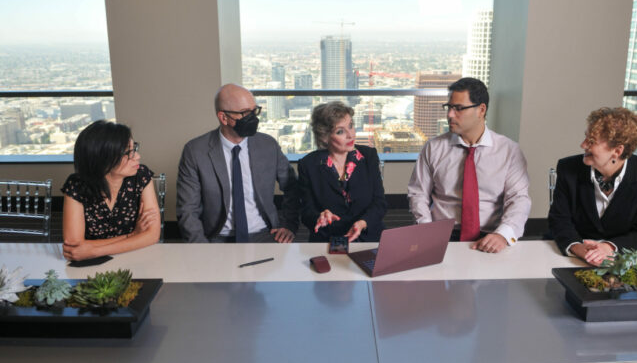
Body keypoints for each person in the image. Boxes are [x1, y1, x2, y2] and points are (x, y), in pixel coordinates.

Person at [407, 77, 531, 253]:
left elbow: (519, 199)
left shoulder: (509, 151)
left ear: (481, 110)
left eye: (458, 108)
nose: (450, 114)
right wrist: (427, 232)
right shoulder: (433, 148)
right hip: (442, 234)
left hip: (491, 235)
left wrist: (503, 235)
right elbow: (418, 194)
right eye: (449, 107)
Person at [176, 83, 299, 243]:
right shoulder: (195, 151)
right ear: (224, 117)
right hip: (216, 238)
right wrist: (202, 249)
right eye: (244, 113)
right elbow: (187, 210)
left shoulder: (268, 145)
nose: (253, 118)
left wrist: (289, 225)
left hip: (267, 234)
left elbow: (293, 188)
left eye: (254, 111)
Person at [548, 107, 637, 266]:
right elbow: (559, 220)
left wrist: (608, 247)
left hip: (623, 260)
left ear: (617, 151)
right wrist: (578, 248)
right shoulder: (567, 167)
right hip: (572, 257)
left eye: (591, 141)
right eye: (586, 137)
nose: (583, 145)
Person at [61, 121, 161, 261]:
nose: (137, 156)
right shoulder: (77, 186)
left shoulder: (141, 176)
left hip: (136, 257)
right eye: (128, 152)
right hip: (91, 266)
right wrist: (133, 235)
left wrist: (94, 251)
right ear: (103, 159)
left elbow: (152, 235)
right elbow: (74, 246)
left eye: (134, 149)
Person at [298, 101, 386, 242]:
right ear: (324, 137)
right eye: (340, 131)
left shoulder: (368, 156)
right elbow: (306, 212)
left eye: (350, 126)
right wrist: (319, 217)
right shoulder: (308, 164)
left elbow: (379, 203)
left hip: (368, 236)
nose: (350, 135)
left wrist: (363, 223)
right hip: (329, 238)